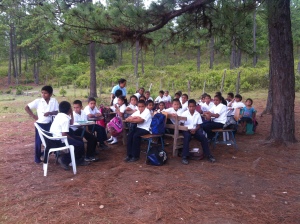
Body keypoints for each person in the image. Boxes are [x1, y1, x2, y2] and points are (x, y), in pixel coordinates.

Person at [50, 101, 89, 170]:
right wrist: (72, 139)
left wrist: (71, 113)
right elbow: (64, 134)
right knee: (78, 144)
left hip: (56, 138)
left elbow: (71, 123)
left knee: (79, 140)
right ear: (69, 109)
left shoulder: (60, 115)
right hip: (60, 140)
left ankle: (78, 160)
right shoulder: (65, 119)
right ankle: (64, 160)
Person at [25, 85, 59, 163]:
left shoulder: (54, 101)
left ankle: (44, 154)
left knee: (51, 140)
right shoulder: (38, 101)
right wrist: (33, 116)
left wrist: (50, 113)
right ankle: (37, 158)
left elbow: (56, 112)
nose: (43, 95)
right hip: (40, 124)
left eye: (45, 93)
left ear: (50, 94)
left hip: (50, 124)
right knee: (39, 141)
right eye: (42, 93)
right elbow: (26, 107)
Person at [181, 99, 216, 165]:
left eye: (193, 106)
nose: (191, 108)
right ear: (188, 107)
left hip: (195, 130)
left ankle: (208, 155)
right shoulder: (184, 113)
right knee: (187, 137)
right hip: (186, 130)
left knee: (203, 137)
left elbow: (199, 125)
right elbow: (182, 124)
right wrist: (188, 130)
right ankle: (184, 156)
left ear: (195, 107)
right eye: (190, 106)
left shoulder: (197, 114)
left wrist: (195, 130)